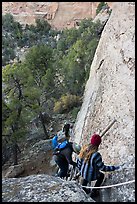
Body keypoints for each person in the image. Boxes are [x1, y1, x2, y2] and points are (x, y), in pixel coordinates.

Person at [76, 133, 120, 198]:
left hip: (82, 173)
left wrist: (82, 170)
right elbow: (103, 168)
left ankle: (84, 189)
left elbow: (78, 163)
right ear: (98, 144)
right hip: (91, 176)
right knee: (101, 176)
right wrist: (115, 168)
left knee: (86, 176)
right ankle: (94, 191)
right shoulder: (96, 155)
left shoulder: (84, 149)